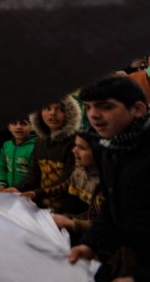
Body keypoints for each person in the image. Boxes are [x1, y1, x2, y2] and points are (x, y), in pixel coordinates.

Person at [70, 76, 150, 281]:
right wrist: (91, 244)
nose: (93, 115)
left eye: (105, 106)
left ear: (138, 109)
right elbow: (113, 206)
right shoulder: (108, 148)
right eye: (88, 107)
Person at [11, 96, 86, 215]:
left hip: (69, 212)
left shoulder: (76, 142)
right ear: (39, 113)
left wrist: (36, 193)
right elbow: (35, 173)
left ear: (70, 114)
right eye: (47, 108)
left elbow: (70, 179)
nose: (53, 114)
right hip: (43, 209)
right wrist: (17, 188)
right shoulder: (39, 141)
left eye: (60, 109)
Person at [52, 131, 104, 239]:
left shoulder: (108, 183)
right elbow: (72, 205)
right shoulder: (78, 173)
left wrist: (71, 223)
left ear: (98, 152)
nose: (74, 150)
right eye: (76, 145)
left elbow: (106, 227)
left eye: (81, 148)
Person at [0, 118, 36, 190]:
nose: (18, 127)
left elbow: (35, 174)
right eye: (14, 123)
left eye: (23, 123)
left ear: (32, 127)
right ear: (9, 127)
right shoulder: (6, 145)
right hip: (9, 191)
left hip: (29, 193)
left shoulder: (36, 146)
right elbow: (2, 167)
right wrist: (1, 185)